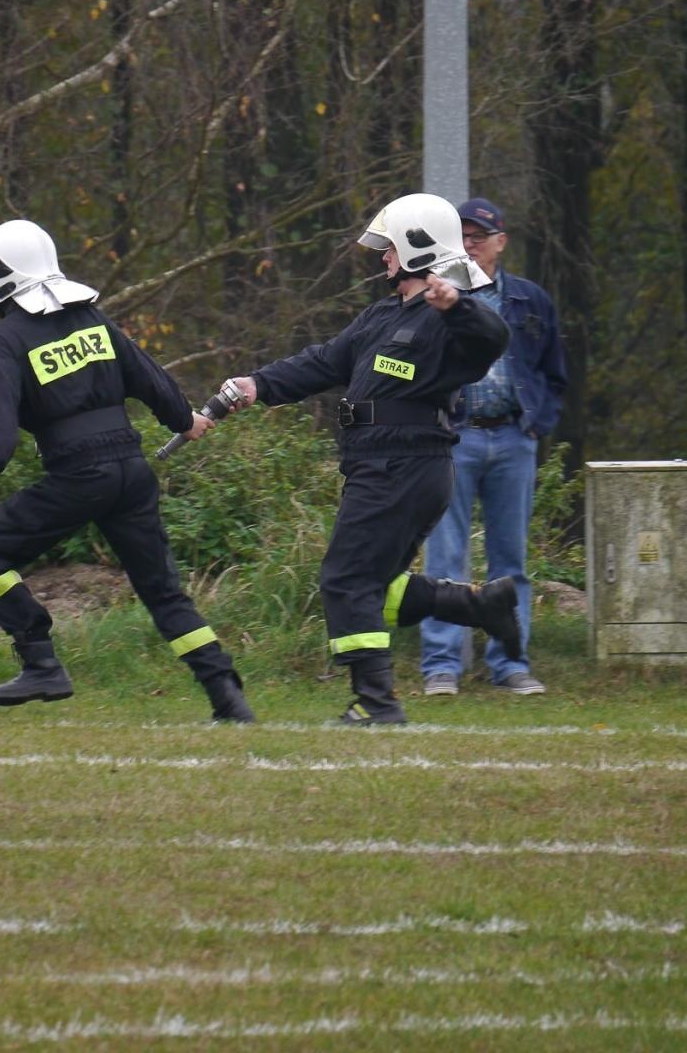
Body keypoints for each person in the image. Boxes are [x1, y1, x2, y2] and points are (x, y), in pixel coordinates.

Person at [222, 193, 523, 724]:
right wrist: (258, 384)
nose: (383, 257)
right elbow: (323, 362)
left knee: (345, 579)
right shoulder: (382, 314)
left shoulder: (451, 317)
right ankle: (477, 605)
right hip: (377, 466)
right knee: (371, 584)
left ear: (416, 248)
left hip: (406, 465)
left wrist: (456, 306)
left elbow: (492, 338)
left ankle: (377, 703)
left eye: (389, 248)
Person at [0, 218, 255, 723]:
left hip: (79, 476)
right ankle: (226, 694)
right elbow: (150, 377)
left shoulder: (4, 340)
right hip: (132, 472)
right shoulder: (94, 320)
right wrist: (183, 419)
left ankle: (40, 662)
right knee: (163, 591)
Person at [419, 197, 568, 697]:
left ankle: (511, 664)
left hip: (512, 438)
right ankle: (441, 666)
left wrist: (535, 426)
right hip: (454, 438)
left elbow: (554, 372)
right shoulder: (434, 300)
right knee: (443, 558)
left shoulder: (531, 301)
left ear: (500, 243)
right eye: (461, 236)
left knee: (511, 561)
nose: (469, 245)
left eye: (479, 237)